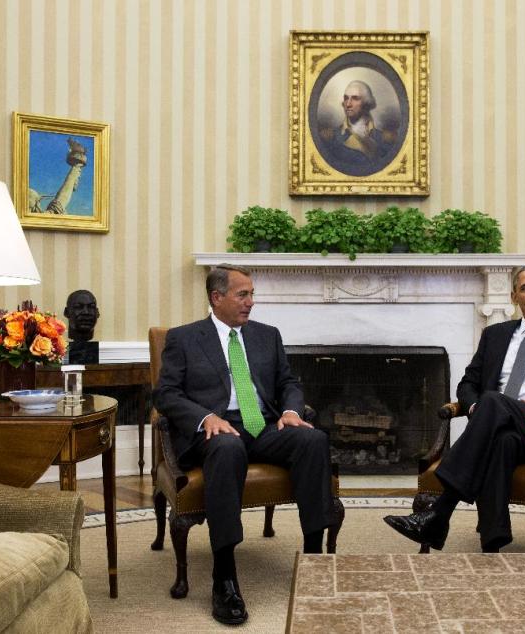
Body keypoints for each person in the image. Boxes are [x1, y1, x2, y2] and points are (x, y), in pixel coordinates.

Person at [153, 264, 335, 626]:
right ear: (216, 297)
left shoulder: (267, 336)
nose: (251, 302)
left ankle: (314, 558)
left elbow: (289, 382)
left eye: (252, 294)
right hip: (215, 430)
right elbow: (166, 394)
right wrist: (207, 418)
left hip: (263, 425)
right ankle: (224, 576)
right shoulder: (185, 338)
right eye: (243, 294)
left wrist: (289, 411)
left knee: (313, 440)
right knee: (227, 448)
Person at [383, 264, 525, 553]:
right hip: (502, 424)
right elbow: (467, 384)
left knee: (492, 400)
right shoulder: (495, 335)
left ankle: (440, 512)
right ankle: (493, 541)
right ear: (514, 297)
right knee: (501, 438)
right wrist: (475, 407)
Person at [317, 79, 395, 176]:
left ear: (366, 103)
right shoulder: (330, 137)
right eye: (346, 98)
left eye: (355, 98)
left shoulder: (385, 138)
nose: (348, 104)